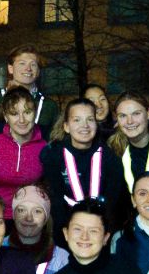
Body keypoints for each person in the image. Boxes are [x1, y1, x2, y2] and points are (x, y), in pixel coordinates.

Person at [40, 98, 127, 233]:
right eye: (77, 120)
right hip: (66, 226)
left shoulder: (110, 157)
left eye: (90, 119)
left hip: (101, 226)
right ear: (66, 126)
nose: (85, 125)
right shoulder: (54, 157)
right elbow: (56, 200)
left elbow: (113, 201)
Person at [0, 44, 59, 145]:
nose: (28, 68)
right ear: (10, 68)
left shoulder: (49, 105)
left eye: (33, 64)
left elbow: (55, 141)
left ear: (38, 71)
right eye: (22, 63)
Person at [0, 87, 47, 219]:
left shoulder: (45, 146)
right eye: (14, 114)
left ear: (35, 113)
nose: (22, 120)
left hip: (30, 220)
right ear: (6, 117)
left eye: (27, 112)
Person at [5, 184, 68, 274]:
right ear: (13, 215)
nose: (29, 218)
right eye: (21, 210)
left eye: (37, 211)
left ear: (46, 218)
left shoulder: (62, 260)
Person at [108, 91, 149, 191]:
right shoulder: (113, 151)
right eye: (123, 116)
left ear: (148, 113)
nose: (129, 121)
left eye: (136, 114)